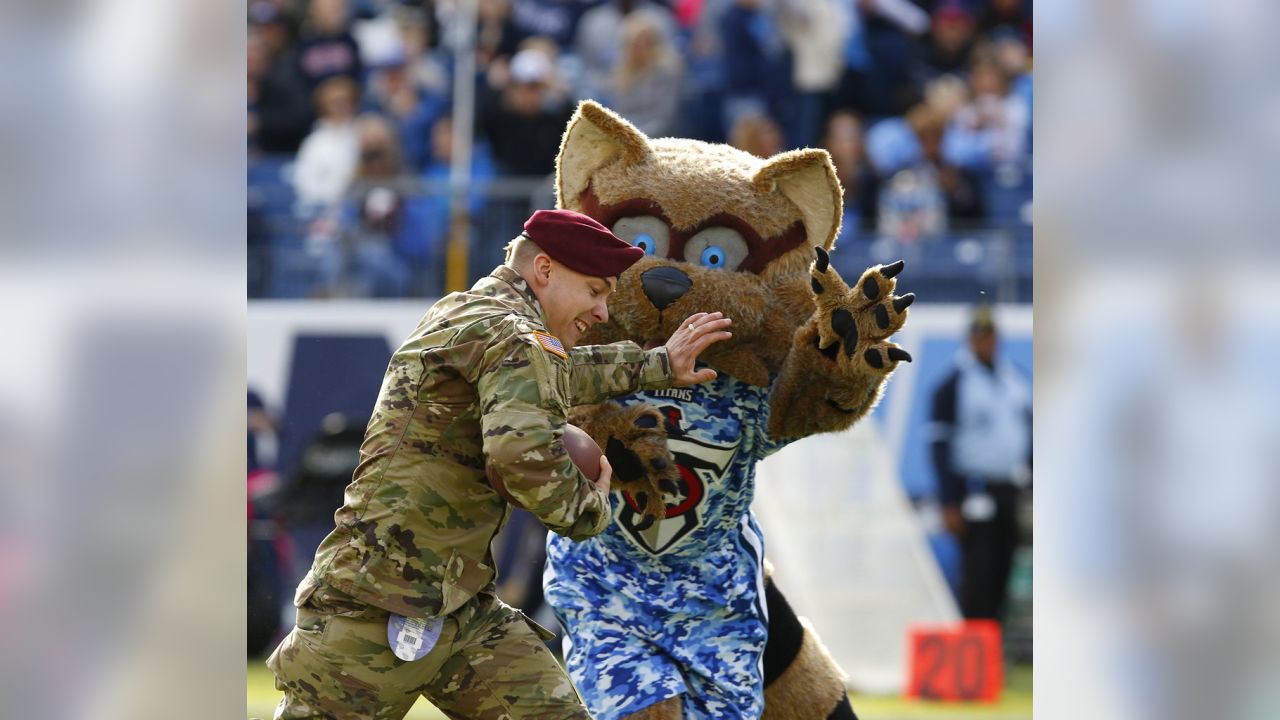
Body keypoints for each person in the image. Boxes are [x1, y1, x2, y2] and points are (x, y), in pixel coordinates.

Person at [268, 208, 733, 719]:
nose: (602, 312)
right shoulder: (513, 336)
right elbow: (522, 459)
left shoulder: (470, 314)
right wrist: (592, 507)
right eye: (596, 290)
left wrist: (657, 363)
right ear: (546, 270)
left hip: (455, 607)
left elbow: (549, 373)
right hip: (376, 610)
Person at [928, 305, 1031, 622]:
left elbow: (1027, 435)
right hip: (974, 491)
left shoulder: (1014, 379)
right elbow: (940, 445)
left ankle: (993, 650)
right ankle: (975, 646)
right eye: (978, 335)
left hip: (1010, 489)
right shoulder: (953, 384)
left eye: (989, 335)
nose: (984, 341)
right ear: (969, 339)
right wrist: (948, 500)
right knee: (978, 574)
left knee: (1004, 570)